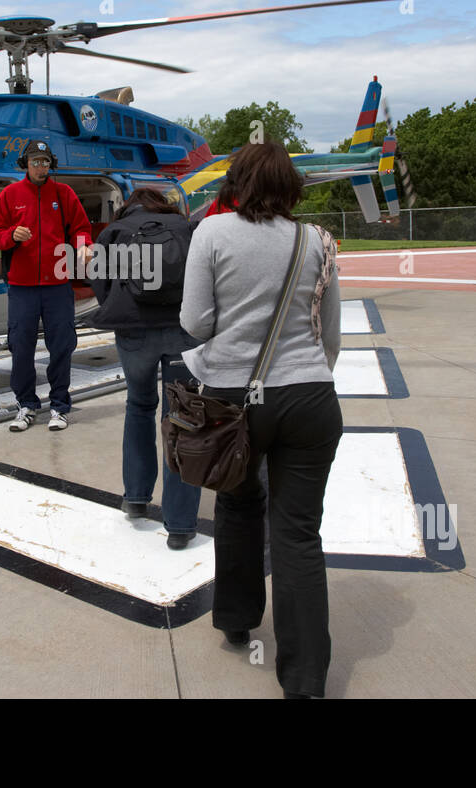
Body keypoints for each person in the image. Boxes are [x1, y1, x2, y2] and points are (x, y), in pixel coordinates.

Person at [179, 141, 342, 699]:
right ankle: (304, 681)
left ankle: (236, 615)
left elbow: (196, 322)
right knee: (298, 535)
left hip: (232, 399)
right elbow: (331, 332)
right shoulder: (317, 239)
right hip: (311, 396)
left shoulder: (213, 233)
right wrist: (307, 376)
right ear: (292, 186)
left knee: (238, 504)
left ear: (237, 183)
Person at [87, 187, 203, 549]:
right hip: (181, 331)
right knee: (182, 417)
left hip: (134, 332)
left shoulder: (115, 231)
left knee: (139, 407)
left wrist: (122, 308)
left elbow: (99, 281)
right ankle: (181, 524)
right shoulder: (184, 227)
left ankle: (136, 497)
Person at [0, 139, 92, 432]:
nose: (40, 167)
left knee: (62, 346)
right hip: (22, 286)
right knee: (21, 346)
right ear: (26, 164)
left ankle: (59, 406)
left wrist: (83, 246)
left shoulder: (64, 193)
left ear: (51, 164)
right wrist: (12, 235)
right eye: (35, 161)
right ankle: (26, 405)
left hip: (58, 285)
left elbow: (81, 228)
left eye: (45, 162)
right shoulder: (10, 195)